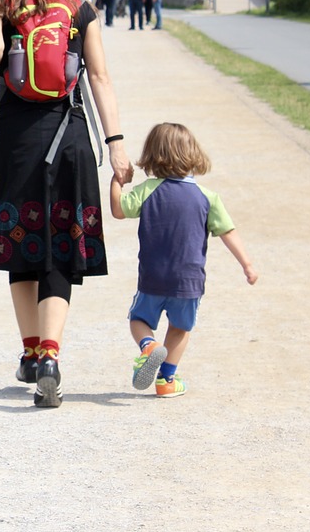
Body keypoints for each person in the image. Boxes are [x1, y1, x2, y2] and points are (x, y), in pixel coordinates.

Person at [0, 0, 133, 409]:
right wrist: (118, 145)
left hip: (17, 139)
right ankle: (49, 357)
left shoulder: (2, 1)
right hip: (71, 138)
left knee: (21, 239)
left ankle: (28, 351)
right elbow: (100, 78)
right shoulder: (79, 9)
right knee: (60, 245)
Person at [110, 123, 258, 398]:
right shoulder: (206, 197)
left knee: (138, 319)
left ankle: (149, 346)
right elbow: (228, 232)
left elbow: (119, 210)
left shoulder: (148, 190)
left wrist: (117, 181)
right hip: (188, 281)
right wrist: (247, 264)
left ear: (153, 156)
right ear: (193, 154)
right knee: (180, 327)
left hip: (153, 277)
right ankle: (167, 380)